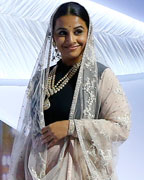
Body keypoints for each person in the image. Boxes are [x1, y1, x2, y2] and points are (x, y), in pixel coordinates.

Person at [8, 2, 131, 180]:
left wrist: (71, 127)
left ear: (89, 33)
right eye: (62, 33)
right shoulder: (40, 79)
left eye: (78, 31)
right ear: (53, 36)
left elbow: (121, 128)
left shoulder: (101, 76)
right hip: (38, 172)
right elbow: (30, 137)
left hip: (81, 173)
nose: (70, 40)